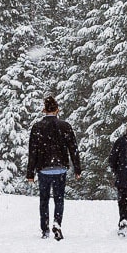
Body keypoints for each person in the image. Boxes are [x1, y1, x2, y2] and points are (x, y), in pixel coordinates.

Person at [26, 95, 82, 240]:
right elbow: (73, 148)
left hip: (43, 168)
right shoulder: (65, 126)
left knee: (44, 199)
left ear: (44, 110)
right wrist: (77, 168)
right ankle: (57, 222)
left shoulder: (37, 127)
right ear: (57, 110)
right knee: (59, 199)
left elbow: (33, 151)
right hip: (60, 167)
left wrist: (30, 173)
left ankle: (45, 229)